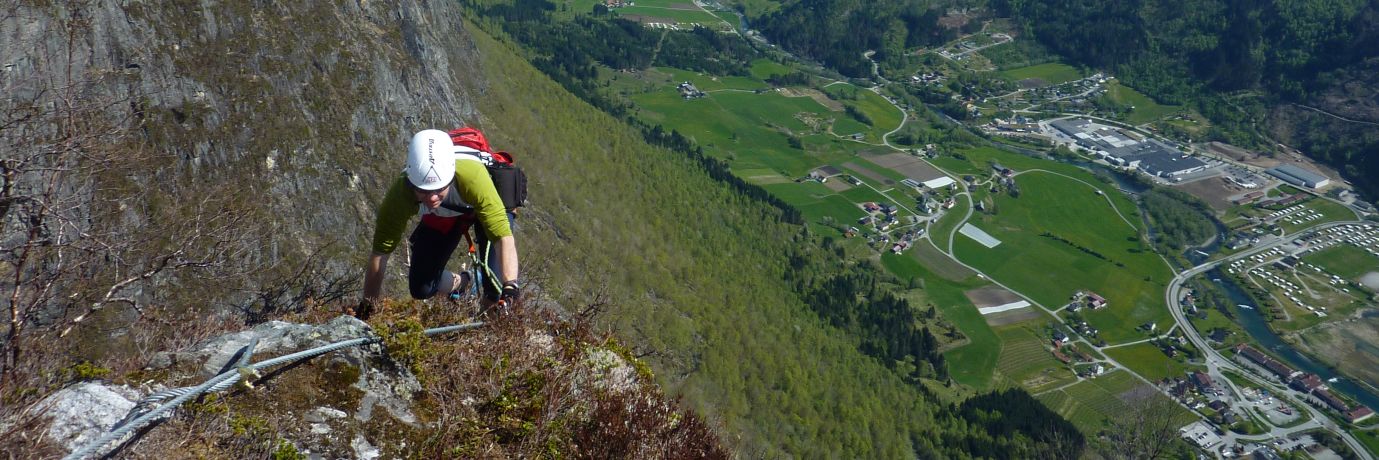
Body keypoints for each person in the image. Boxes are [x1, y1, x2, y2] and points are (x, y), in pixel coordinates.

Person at [357, 129, 520, 319]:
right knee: (422, 288)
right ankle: (465, 283)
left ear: (450, 177)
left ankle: (488, 327)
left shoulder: (473, 178)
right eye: (424, 191)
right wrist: (367, 307)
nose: (432, 197)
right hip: (450, 207)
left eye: (438, 189)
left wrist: (510, 286)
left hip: (483, 199)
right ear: (411, 183)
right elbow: (380, 254)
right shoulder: (400, 197)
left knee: (496, 288)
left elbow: (502, 238)